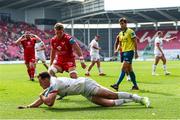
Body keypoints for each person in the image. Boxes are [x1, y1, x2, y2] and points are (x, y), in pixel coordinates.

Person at [18, 72, 150, 109]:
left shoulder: (54, 84)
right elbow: (42, 100)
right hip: (83, 91)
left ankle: (138, 98)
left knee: (111, 95)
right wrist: (28, 106)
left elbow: (49, 103)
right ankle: (134, 100)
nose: (40, 84)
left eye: (41, 82)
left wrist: (41, 96)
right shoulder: (51, 86)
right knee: (108, 104)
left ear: (46, 79)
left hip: (85, 84)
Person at [111, 17, 139, 91]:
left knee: (123, 68)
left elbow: (135, 41)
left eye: (122, 23)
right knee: (130, 70)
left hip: (129, 52)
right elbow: (120, 44)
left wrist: (136, 52)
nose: (121, 25)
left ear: (126, 23)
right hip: (123, 52)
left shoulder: (130, 31)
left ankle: (117, 85)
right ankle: (135, 86)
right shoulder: (120, 33)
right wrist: (117, 50)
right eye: (120, 24)